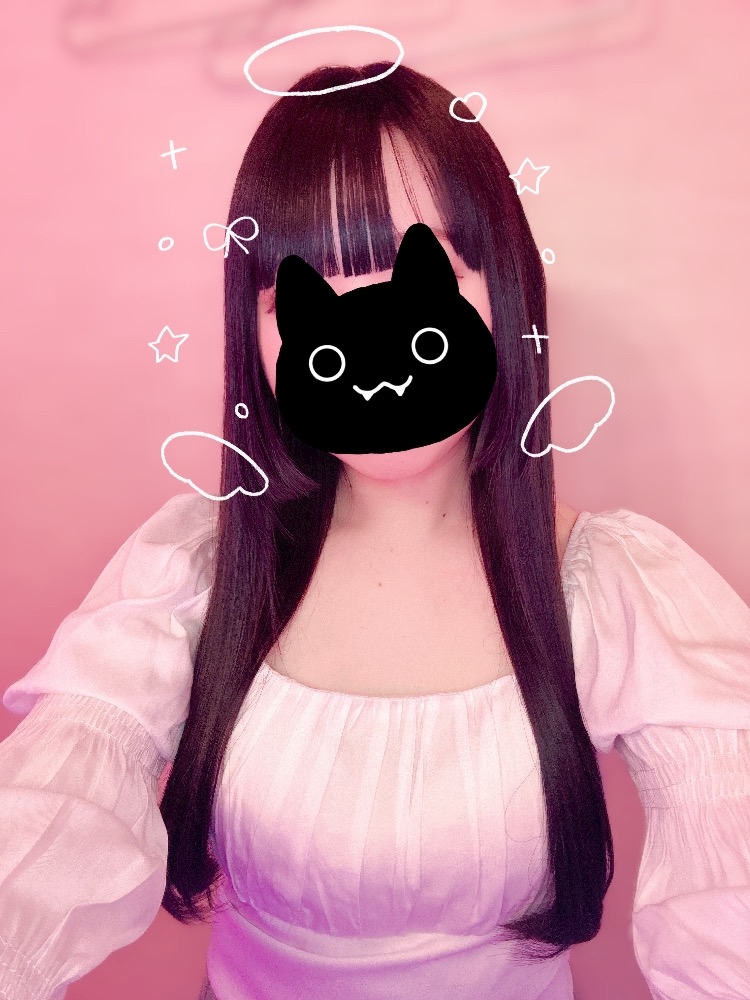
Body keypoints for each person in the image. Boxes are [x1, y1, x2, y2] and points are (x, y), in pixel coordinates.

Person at [0, 62, 748, 1000]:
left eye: (420, 277)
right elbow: (55, 808)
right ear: (260, 336)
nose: (373, 346)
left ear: (504, 292)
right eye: (306, 299)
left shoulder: (610, 583)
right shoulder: (194, 567)